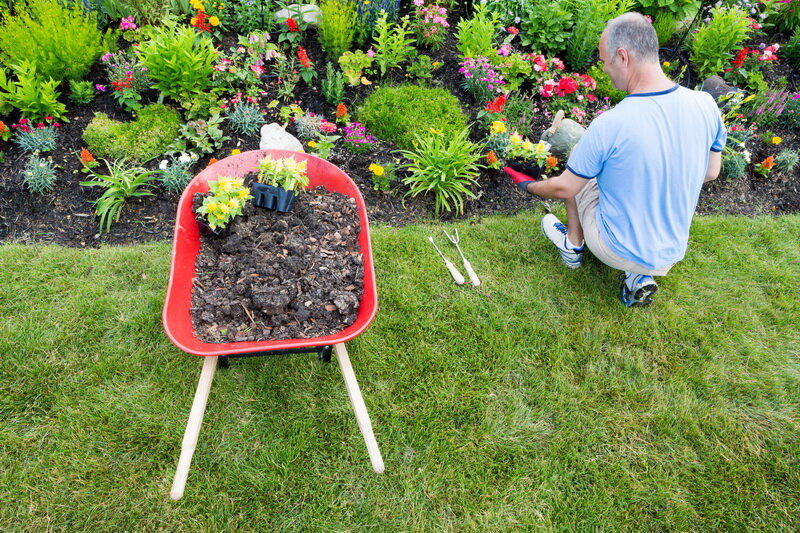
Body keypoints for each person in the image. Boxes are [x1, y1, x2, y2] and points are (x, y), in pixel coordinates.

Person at [504, 12, 726, 307]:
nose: (604, 69)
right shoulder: (705, 104)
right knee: (625, 173)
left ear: (623, 57)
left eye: (605, 60)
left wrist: (529, 186)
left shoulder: (612, 123)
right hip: (670, 252)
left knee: (581, 166)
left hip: (615, 248)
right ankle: (639, 276)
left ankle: (572, 246)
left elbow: (565, 188)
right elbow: (711, 171)